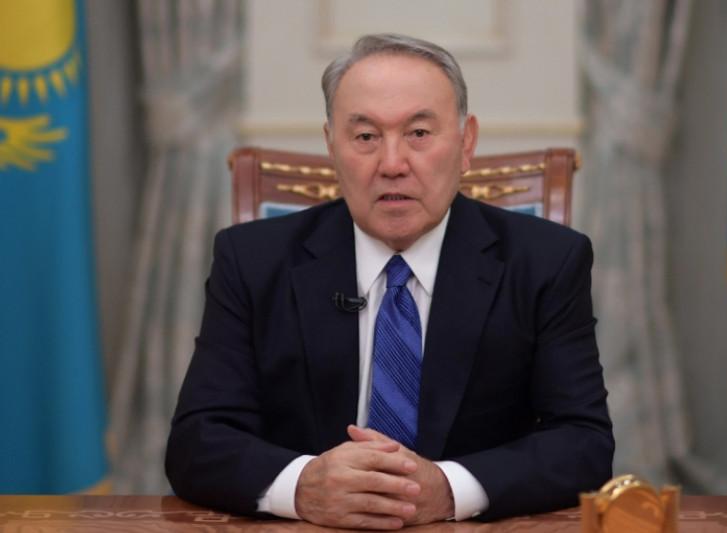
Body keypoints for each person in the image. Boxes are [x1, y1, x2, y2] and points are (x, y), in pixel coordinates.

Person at [166, 33, 613, 529]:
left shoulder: (546, 262)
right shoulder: (252, 260)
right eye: (365, 137)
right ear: (331, 146)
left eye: (419, 133)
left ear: (466, 143)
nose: (393, 164)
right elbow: (196, 441)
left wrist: (448, 490)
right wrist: (303, 485)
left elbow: (584, 442)